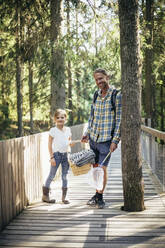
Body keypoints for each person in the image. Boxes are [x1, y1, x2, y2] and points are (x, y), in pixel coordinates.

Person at [81, 68, 122, 209]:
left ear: (107, 77)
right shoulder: (95, 95)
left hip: (106, 140)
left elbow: (119, 119)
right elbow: (91, 117)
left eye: (101, 78)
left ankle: (100, 197)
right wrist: (87, 132)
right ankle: (96, 195)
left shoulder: (116, 95)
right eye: (96, 79)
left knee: (102, 168)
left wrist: (115, 140)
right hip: (93, 139)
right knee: (95, 168)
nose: (99, 82)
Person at [42, 109, 75, 204]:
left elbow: (69, 142)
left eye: (62, 117)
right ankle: (45, 195)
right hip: (56, 155)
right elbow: (49, 144)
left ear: (65, 118)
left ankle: (65, 197)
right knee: (51, 175)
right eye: (58, 117)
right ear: (55, 119)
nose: (60, 119)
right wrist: (52, 157)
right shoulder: (53, 130)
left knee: (65, 176)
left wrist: (71, 145)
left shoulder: (68, 129)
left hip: (65, 155)